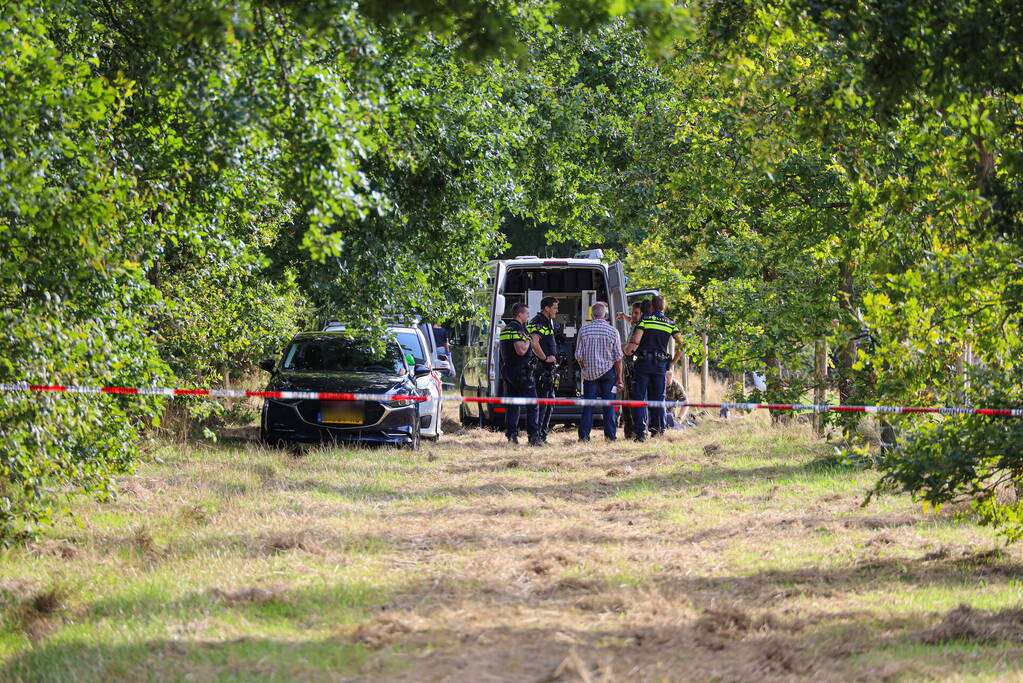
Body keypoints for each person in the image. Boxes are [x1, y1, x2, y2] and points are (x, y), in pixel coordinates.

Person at [624, 295, 683, 441]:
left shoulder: (645, 320)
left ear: (652, 307)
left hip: (643, 364)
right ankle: (658, 432)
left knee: (639, 398)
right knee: (659, 399)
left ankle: (640, 434)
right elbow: (682, 345)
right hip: (660, 366)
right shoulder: (671, 323)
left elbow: (636, 340)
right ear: (664, 307)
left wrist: (628, 349)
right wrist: (673, 362)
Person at [575, 302, 624, 442]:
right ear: (605, 315)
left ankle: (584, 436)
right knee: (609, 406)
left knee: (588, 406)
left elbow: (578, 355)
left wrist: (584, 367)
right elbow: (618, 358)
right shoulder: (613, 331)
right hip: (608, 374)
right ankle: (610, 436)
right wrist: (619, 379)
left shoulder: (584, 330)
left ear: (592, 315)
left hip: (589, 375)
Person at [500, 303, 540, 445]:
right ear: (519, 314)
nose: (528, 316)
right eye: (527, 313)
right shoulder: (517, 328)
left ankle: (512, 436)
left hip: (509, 371)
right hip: (522, 372)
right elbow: (521, 350)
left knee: (513, 405)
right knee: (533, 405)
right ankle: (533, 437)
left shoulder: (506, 329)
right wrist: (530, 340)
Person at [528, 296, 559, 443]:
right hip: (541, 369)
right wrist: (545, 358)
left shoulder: (547, 322)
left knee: (549, 402)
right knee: (542, 403)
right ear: (546, 308)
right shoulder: (538, 321)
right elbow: (534, 343)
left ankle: (542, 435)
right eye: (555, 308)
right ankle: (536, 436)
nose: (557, 311)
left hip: (548, 369)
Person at [617, 300, 650, 439]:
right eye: (632, 313)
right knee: (626, 401)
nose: (634, 316)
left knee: (634, 401)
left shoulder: (641, 328)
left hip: (634, 369)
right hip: (627, 370)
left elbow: (631, 349)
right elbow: (631, 320)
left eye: (636, 313)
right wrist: (624, 316)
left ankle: (637, 431)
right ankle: (629, 432)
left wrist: (622, 347)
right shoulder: (635, 324)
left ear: (642, 313)